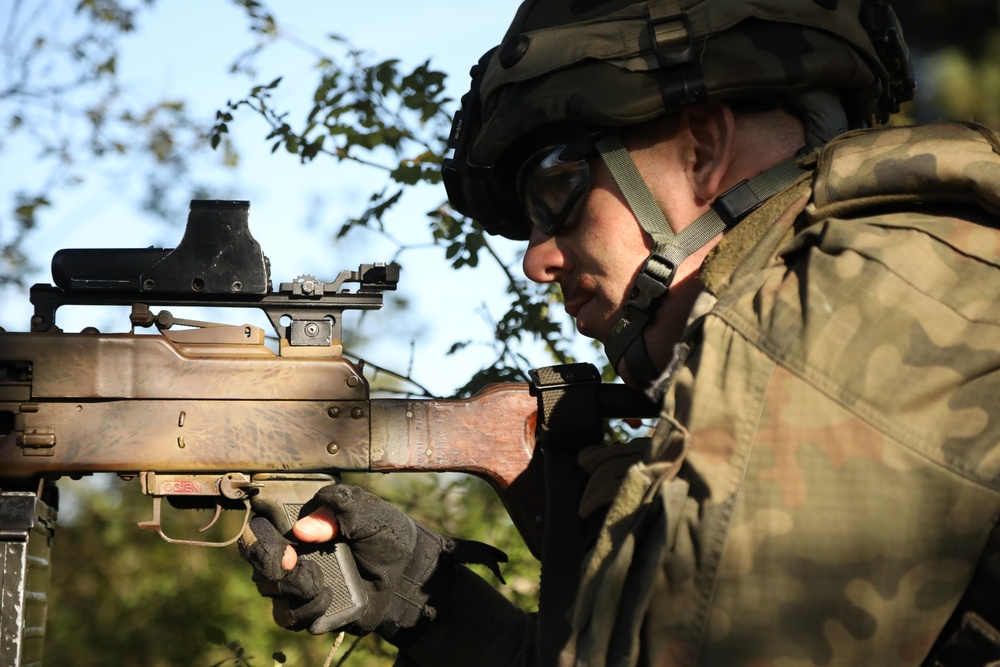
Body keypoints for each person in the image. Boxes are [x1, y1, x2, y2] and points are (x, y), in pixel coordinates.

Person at [239, 0, 1000, 664]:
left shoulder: (853, 300)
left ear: (701, 148)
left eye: (557, 188)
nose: (539, 260)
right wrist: (424, 599)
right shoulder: (881, 281)